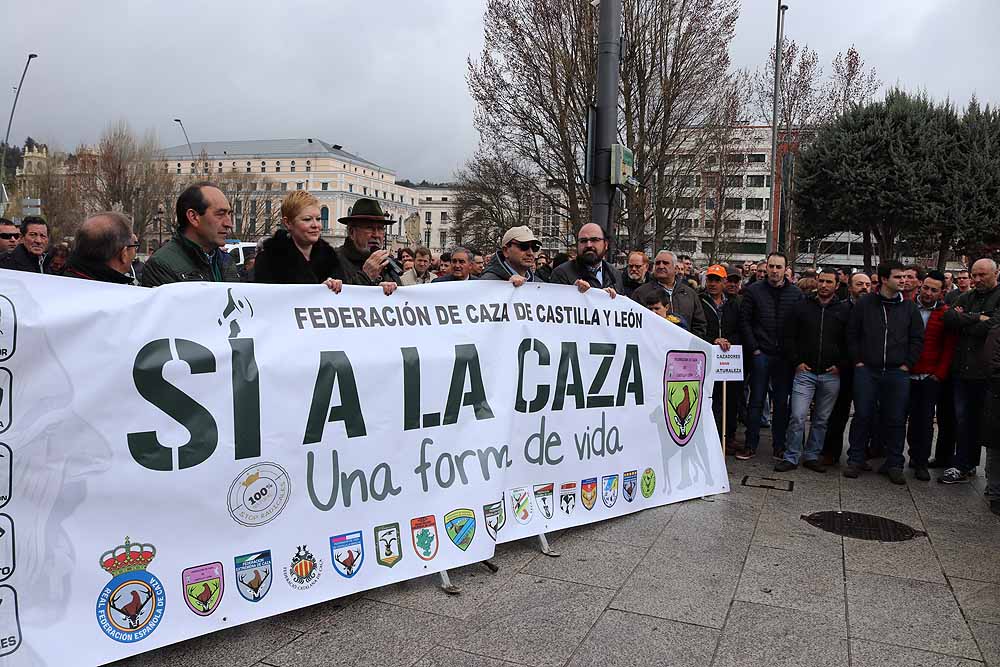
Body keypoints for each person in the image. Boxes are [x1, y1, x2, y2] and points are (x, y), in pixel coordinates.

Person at [843, 261, 924, 483]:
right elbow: (852, 334)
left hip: (897, 372)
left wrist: (907, 363)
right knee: (862, 415)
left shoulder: (909, 307)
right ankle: (855, 458)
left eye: (906, 277)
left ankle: (895, 462)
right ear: (885, 279)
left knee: (896, 418)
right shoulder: (865, 304)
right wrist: (858, 361)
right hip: (867, 370)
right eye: (898, 277)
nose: (904, 281)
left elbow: (917, 338)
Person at [776, 271, 847, 473]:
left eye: (829, 282)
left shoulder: (843, 311)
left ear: (836, 285)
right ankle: (791, 456)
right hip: (805, 372)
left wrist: (840, 364)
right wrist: (797, 361)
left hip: (831, 374)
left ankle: (812, 455)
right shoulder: (801, 307)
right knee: (797, 416)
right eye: (821, 281)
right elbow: (788, 336)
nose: (824, 285)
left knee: (822, 419)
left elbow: (850, 341)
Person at [737, 252, 803, 461]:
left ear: (785, 269)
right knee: (756, 401)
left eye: (778, 267)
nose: (774, 271)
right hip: (761, 353)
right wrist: (754, 348)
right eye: (771, 267)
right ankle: (750, 444)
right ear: (766, 269)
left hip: (784, 357)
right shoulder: (753, 291)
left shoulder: (795, 293)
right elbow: (745, 321)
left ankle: (779, 445)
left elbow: (798, 324)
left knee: (781, 403)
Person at [940, 258, 1000, 484]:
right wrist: (976, 317)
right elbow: (948, 317)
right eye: (974, 275)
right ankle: (963, 464)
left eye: (982, 275)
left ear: (996, 273)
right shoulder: (967, 296)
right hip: (963, 369)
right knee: (964, 419)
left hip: (988, 373)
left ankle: (987, 476)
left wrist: (964, 320)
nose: (976, 280)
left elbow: (994, 326)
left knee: (985, 424)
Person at [905, 271, 956, 481]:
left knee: (925, 421)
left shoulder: (946, 314)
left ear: (941, 292)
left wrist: (938, 374)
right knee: (899, 418)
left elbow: (949, 348)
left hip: (930, 377)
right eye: (925, 288)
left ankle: (921, 461)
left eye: (933, 290)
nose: (928, 293)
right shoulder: (907, 308)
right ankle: (903, 457)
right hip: (906, 373)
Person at [141, 182, 239, 286]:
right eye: (220, 214)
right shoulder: (161, 266)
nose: (229, 224)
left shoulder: (226, 261)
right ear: (193, 217)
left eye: (229, 214)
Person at [821, 272, 871, 465]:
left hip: (867, 369)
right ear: (850, 287)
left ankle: (859, 453)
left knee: (864, 413)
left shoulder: (874, 309)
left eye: (867, 284)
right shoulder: (840, 309)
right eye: (859, 284)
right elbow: (834, 339)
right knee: (838, 413)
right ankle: (830, 452)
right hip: (843, 369)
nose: (864, 288)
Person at [253, 191, 346, 286]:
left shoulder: (331, 258)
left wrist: (333, 288)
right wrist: (317, 290)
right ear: (288, 223)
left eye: (318, 219)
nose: (315, 225)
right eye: (307, 219)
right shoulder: (269, 259)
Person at [699, 265, 741, 451]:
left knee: (730, 398)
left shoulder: (735, 303)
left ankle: (728, 435)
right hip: (708, 354)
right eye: (710, 279)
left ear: (725, 282)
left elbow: (742, 328)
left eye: (717, 280)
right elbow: (697, 328)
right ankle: (709, 436)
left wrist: (730, 341)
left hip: (729, 357)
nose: (713, 284)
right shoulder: (699, 300)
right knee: (710, 397)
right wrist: (712, 340)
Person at [632, 251, 707, 338]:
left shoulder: (690, 294)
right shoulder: (641, 293)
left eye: (665, 263)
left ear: (675, 268)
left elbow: (699, 325)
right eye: (657, 263)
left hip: (683, 349)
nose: (661, 266)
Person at [334, 198, 400, 286]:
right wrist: (365, 276)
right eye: (369, 228)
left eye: (380, 229)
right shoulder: (334, 260)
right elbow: (335, 296)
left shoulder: (387, 264)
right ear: (351, 232)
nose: (376, 235)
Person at [62, 212, 138, 285]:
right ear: (124, 254)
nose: (134, 253)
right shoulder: (119, 295)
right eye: (134, 246)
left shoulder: (58, 283)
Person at [549, 223, 623, 294]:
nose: (588, 245)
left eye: (594, 240)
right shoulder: (561, 274)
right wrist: (573, 291)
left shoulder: (615, 274)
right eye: (583, 241)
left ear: (606, 244)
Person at [984, 324, 1000, 515]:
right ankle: (995, 491)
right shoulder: (997, 332)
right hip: (998, 396)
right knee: (996, 447)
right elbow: (991, 363)